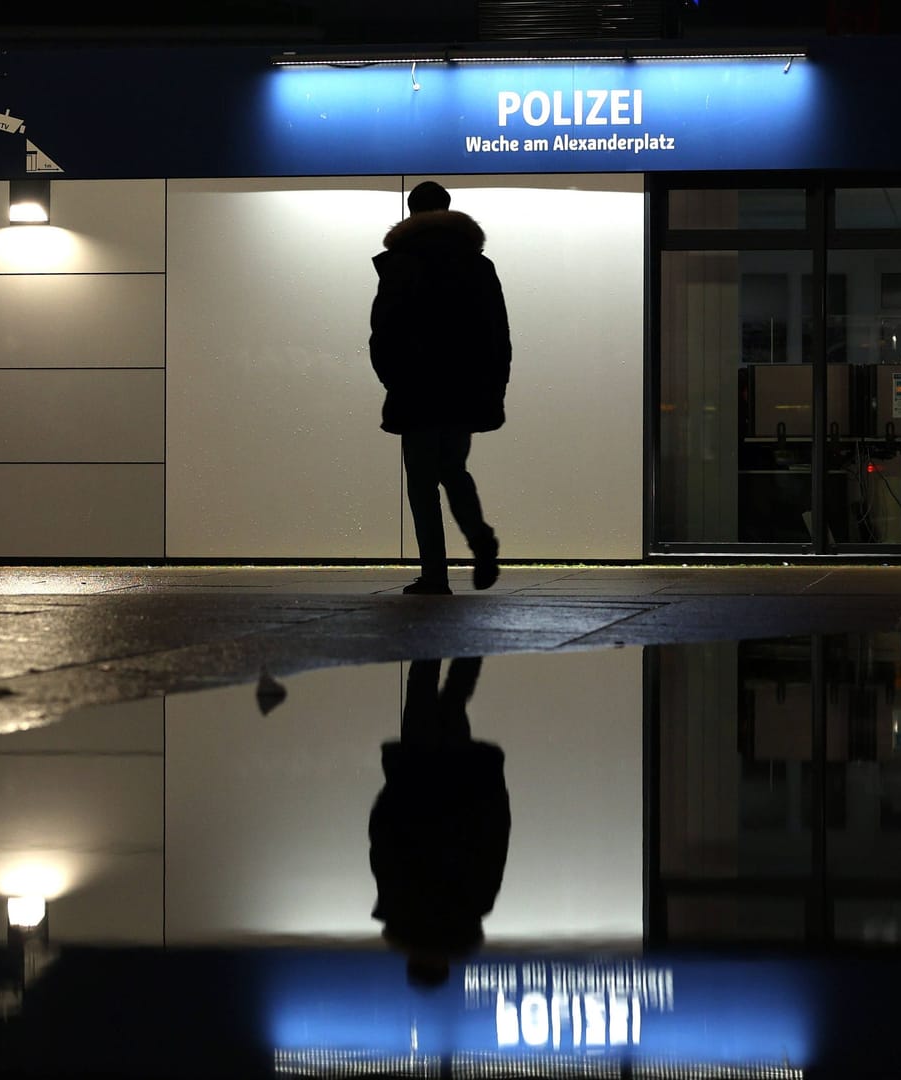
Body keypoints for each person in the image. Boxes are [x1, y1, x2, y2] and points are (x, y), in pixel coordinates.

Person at [369, 181, 510, 595]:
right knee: (453, 469)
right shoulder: (477, 265)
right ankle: (481, 540)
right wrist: (493, 388)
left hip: (415, 387)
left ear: (411, 213)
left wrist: (392, 379)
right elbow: (496, 335)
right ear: (447, 210)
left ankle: (435, 573)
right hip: (462, 387)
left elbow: (383, 331)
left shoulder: (400, 264)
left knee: (421, 480)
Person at [368, 656, 509, 988]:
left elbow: (494, 839)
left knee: (453, 700)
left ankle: (470, 641)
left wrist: (492, 787)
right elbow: (384, 844)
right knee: (422, 691)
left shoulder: (474, 907)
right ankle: (434, 625)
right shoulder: (401, 910)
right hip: (415, 778)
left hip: (462, 781)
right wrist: (390, 791)